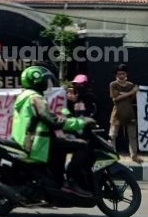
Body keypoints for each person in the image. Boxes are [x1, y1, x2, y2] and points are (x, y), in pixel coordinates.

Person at [11, 66, 95, 196]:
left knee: (61, 145)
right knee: (82, 145)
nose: (47, 84)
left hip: (26, 140)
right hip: (36, 143)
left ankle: (58, 180)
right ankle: (71, 181)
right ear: (37, 81)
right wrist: (82, 122)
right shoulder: (35, 98)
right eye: (45, 81)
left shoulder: (23, 96)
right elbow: (53, 121)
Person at [109, 64, 143, 163]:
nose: (121, 76)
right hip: (117, 114)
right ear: (116, 75)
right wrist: (131, 92)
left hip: (129, 113)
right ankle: (112, 155)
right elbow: (116, 98)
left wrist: (125, 94)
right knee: (112, 135)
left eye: (123, 73)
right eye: (119, 74)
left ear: (126, 74)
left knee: (132, 136)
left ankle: (134, 156)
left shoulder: (131, 85)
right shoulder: (113, 84)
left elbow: (131, 99)